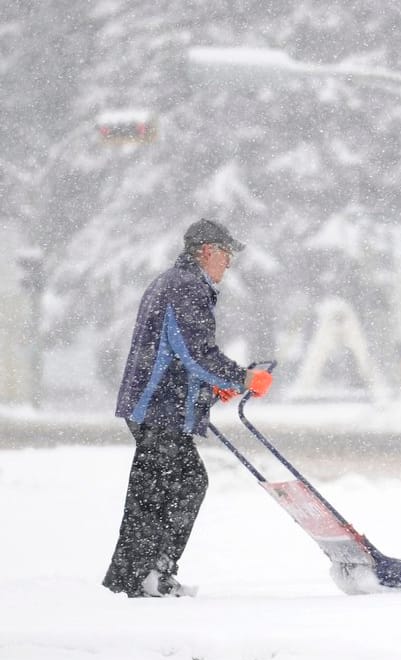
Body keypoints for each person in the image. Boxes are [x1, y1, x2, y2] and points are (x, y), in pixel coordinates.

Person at [103, 218, 274, 598]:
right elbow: (194, 352)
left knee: (161, 491)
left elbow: (178, 356)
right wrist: (243, 379)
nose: (229, 263)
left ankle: (138, 576)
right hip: (158, 409)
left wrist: (213, 389)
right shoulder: (184, 286)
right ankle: (145, 575)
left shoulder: (177, 283)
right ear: (207, 251)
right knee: (176, 486)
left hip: (159, 407)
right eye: (226, 253)